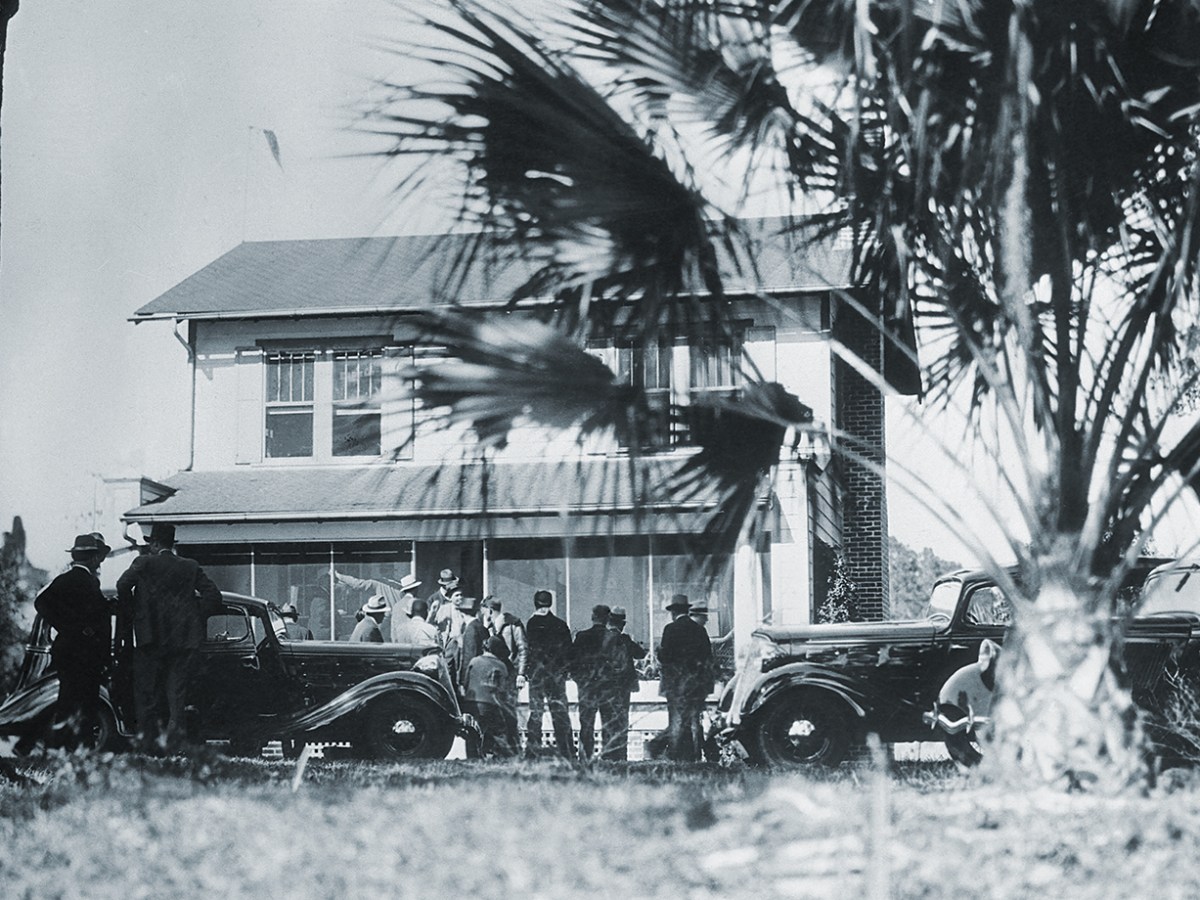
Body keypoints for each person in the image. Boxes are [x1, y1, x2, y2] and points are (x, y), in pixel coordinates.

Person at [115, 523, 223, 753]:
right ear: (172, 544)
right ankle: (175, 746)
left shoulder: (143, 563)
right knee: (177, 696)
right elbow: (214, 596)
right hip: (183, 641)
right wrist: (193, 616)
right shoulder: (190, 566)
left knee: (147, 694)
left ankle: (149, 745)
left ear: (154, 544)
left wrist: (134, 613)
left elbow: (122, 585)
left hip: (149, 639)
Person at [33, 532, 116, 750]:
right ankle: (83, 747)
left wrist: (65, 626)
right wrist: (81, 629)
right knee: (87, 701)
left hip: (66, 651)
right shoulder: (88, 582)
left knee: (67, 699)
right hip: (85, 654)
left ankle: (60, 746)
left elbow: (42, 602)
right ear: (93, 558)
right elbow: (96, 618)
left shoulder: (63, 580)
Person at [657, 594, 713, 762]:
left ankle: (677, 757)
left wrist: (658, 653)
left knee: (676, 721)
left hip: (675, 684)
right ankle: (694, 756)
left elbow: (665, 657)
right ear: (687, 610)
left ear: (673, 612)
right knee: (694, 721)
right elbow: (707, 657)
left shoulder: (670, 629)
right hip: (695, 684)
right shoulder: (699, 630)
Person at [524, 589, 575, 759]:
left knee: (536, 713)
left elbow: (529, 651)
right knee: (560, 713)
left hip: (538, 675)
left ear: (535, 603)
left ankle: (532, 753)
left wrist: (528, 672)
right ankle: (567, 752)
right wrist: (563, 671)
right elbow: (569, 652)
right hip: (556, 675)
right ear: (551, 603)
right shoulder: (560, 624)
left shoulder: (531, 624)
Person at [462, 635, 518, 758]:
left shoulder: (474, 661)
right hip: (491, 704)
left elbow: (465, 682)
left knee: (473, 733)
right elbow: (502, 689)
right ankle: (503, 756)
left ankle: (473, 758)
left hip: (472, 703)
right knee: (498, 731)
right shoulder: (501, 665)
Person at [603, 606, 647, 761]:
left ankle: (607, 755)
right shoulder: (626, 640)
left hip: (606, 687)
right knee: (622, 721)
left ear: (609, 622)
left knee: (607, 721)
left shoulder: (603, 638)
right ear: (622, 624)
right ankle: (621, 755)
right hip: (623, 687)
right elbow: (641, 654)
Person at [483, 595, 527, 750]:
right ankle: (497, 748)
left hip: (510, 673)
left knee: (509, 712)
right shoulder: (489, 626)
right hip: (494, 674)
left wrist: (521, 673)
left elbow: (522, 649)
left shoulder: (512, 624)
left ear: (489, 610)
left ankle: (513, 748)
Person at [570, 604, 612, 762]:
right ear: (607, 619)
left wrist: (579, 680)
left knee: (586, 724)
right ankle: (609, 758)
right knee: (608, 723)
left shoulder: (582, 636)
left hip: (587, 686)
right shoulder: (612, 637)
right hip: (607, 687)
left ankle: (585, 757)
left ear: (593, 617)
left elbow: (572, 661)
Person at [333, 569, 422, 641]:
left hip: (385, 625)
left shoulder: (379, 583)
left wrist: (339, 576)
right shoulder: (399, 587)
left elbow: (358, 584)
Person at [455, 594, 487, 697]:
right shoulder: (482, 627)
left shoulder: (470, 630)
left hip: (473, 679)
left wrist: (464, 682)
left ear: (461, 614)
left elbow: (469, 657)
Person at [427, 568, 460, 633]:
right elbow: (429, 620)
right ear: (443, 585)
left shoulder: (457, 597)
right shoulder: (433, 599)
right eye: (451, 584)